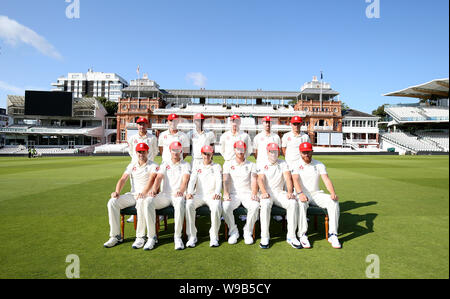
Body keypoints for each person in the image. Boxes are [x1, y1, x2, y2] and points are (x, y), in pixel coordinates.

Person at [103, 143, 159, 249]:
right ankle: (115, 236)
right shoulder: (132, 165)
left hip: (146, 196)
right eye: (139, 152)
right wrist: (117, 192)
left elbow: (152, 179)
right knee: (112, 202)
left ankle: (140, 237)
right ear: (136, 153)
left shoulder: (153, 165)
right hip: (133, 195)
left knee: (142, 202)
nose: (141, 154)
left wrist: (144, 193)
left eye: (143, 151)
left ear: (147, 152)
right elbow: (123, 179)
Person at [291, 142, 341, 249]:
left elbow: (326, 180)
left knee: (334, 202)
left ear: (312, 151)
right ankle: (302, 235)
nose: (307, 155)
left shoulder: (319, 164)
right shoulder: (295, 165)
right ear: (300, 153)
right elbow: (295, 180)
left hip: (316, 193)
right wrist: (300, 194)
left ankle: (333, 234)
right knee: (302, 203)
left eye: (308, 152)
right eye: (304, 153)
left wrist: (333, 193)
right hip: (302, 193)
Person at [145, 141, 191, 250]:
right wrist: (154, 190)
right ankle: (151, 237)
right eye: (173, 150)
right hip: (165, 195)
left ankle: (177, 237)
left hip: (178, 195)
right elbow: (159, 178)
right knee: (148, 201)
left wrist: (181, 190)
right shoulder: (165, 164)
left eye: (178, 150)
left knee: (180, 201)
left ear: (181, 151)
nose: (175, 152)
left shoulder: (186, 164)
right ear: (170, 151)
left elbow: (185, 180)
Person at [257, 143, 302, 249]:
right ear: (267, 152)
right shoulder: (261, 163)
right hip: (266, 192)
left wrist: (290, 192)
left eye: (275, 152)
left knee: (292, 202)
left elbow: (287, 178)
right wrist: (263, 192)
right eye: (271, 152)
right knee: (266, 203)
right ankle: (265, 236)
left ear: (278, 152)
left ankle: (291, 236)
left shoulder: (283, 163)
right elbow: (260, 179)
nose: (273, 154)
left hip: (279, 192)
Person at [222, 140, 260, 245]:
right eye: (238, 149)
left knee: (255, 205)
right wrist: (226, 193)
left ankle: (247, 231)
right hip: (234, 194)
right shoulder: (228, 163)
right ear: (234, 150)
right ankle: (233, 231)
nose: (240, 151)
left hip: (247, 194)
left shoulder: (251, 164)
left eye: (242, 149)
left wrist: (254, 193)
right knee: (225, 206)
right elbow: (225, 179)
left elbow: (254, 180)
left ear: (245, 150)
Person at [185, 145, 222, 248]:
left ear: (212, 154)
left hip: (212, 195)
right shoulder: (197, 166)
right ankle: (192, 236)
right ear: (201, 154)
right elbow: (192, 180)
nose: (207, 156)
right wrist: (189, 192)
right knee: (189, 205)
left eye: (209, 154)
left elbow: (219, 180)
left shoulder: (217, 166)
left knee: (216, 206)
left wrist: (217, 193)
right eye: (205, 154)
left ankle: (214, 236)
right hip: (199, 195)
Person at [126, 116, 158, 224]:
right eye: (139, 124)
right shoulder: (132, 138)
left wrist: (148, 161)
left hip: (148, 166)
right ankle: (134, 212)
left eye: (143, 124)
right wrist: (137, 160)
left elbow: (154, 151)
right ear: (137, 126)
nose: (141, 126)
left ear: (147, 125)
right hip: (135, 165)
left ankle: (148, 210)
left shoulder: (152, 138)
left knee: (148, 189)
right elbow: (131, 151)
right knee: (134, 188)